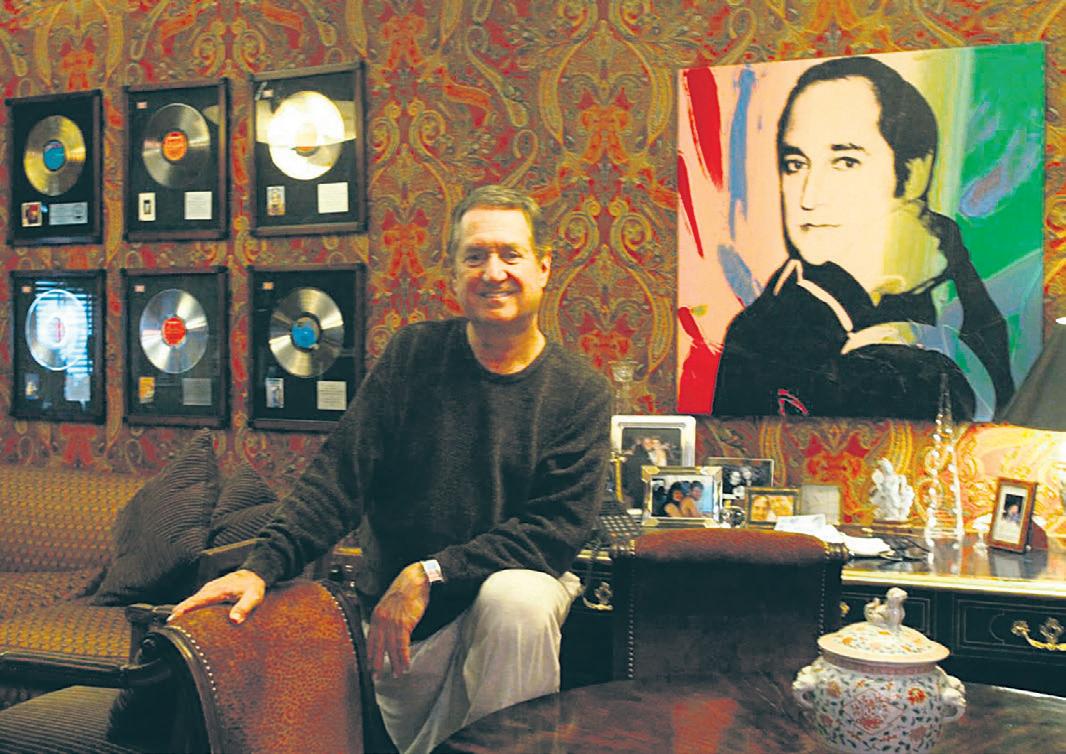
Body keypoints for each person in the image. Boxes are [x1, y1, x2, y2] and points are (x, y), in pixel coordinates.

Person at [169, 185, 612, 754]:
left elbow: (553, 533)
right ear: (453, 273)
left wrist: (429, 573)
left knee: (517, 598)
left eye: (511, 254)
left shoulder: (581, 393)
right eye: (475, 256)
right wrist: (261, 567)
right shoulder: (413, 356)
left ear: (544, 267)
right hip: (399, 629)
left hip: (490, 617)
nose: (493, 272)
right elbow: (339, 476)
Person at [712, 56, 1013, 421]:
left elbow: (991, 410)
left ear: (913, 174)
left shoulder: (961, 300)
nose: (808, 196)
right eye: (796, 164)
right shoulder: (760, 330)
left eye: (845, 162)